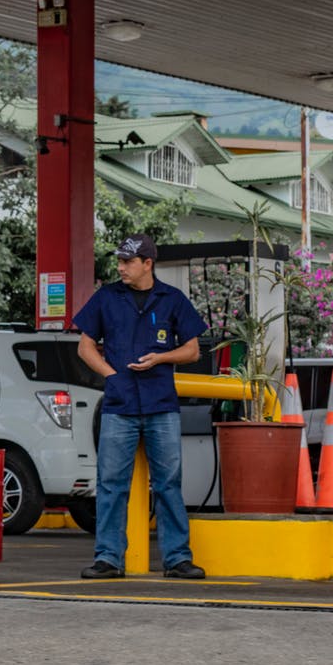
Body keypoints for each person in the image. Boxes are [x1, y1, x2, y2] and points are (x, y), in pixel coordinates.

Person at [73, 233, 207, 580]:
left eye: (127, 261)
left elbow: (192, 350)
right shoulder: (106, 298)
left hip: (161, 405)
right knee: (111, 484)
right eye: (119, 261)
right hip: (119, 405)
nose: (120, 267)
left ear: (148, 263)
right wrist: (112, 375)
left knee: (168, 484)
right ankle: (108, 558)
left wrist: (161, 358)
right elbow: (85, 347)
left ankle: (177, 558)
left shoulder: (172, 299)